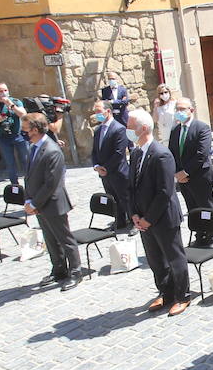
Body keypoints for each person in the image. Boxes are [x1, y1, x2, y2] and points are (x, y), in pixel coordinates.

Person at [128, 109, 190, 317]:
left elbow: (165, 192)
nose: (127, 130)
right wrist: (135, 214)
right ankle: (166, 292)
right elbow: (132, 187)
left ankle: (182, 296)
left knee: (174, 258)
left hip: (162, 218)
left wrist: (148, 219)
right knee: (155, 260)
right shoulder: (136, 153)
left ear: (143, 128)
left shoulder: (161, 154)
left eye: (130, 126)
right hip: (143, 219)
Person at [22, 112, 82, 291]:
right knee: (50, 239)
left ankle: (75, 272)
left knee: (64, 239)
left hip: (52, 203)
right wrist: (28, 199)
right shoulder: (33, 148)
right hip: (39, 204)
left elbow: (51, 183)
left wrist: (34, 204)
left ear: (35, 129)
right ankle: (59, 269)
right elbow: (29, 177)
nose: (23, 132)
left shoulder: (52, 150)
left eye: (26, 129)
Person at [168, 96, 213, 213]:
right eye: (177, 109)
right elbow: (172, 153)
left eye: (182, 109)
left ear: (191, 110)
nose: (179, 112)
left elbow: (202, 154)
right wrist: (177, 173)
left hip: (200, 176)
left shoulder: (202, 128)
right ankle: (199, 230)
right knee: (192, 209)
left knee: (206, 208)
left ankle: (212, 231)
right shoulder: (175, 130)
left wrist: (185, 172)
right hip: (183, 179)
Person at [90, 98, 133, 229]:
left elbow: (119, 153)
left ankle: (133, 222)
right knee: (113, 199)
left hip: (118, 172)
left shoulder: (119, 129)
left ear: (108, 111)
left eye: (99, 111)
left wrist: (106, 168)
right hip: (104, 173)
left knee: (126, 199)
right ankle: (119, 221)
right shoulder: (98, 130)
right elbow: (94, 151)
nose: (96, 114)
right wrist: (97, 166)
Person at [0, 83, 29, 186]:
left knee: (26, 160)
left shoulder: (15, 101)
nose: (4, 93)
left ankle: (31, 184)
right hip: (4, 137)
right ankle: (15, 186)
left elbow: (23, 115)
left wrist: (11, 105)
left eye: (5, 90)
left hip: (19, 135)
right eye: (1, 91)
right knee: (10, 163)